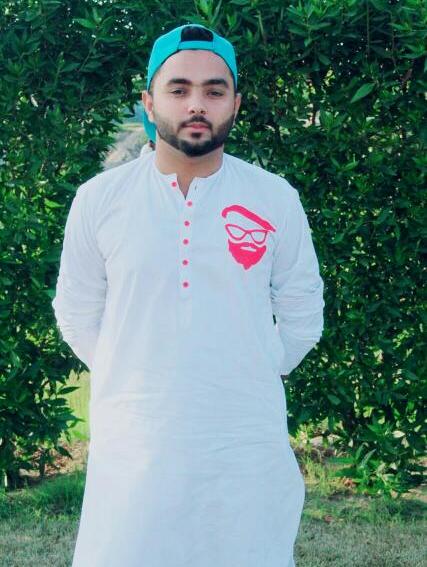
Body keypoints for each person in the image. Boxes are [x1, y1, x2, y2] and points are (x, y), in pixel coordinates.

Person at [52, 23, 325, 567]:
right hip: (134, 446)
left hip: (244, 446)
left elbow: (302, 311)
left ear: (235, 104)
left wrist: (250, 369)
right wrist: (134, 371)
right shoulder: (100, 200)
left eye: (214, 90)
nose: (196, 104)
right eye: (179, 89)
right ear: (149, 102)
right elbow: (77, 312)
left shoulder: (274, 198)